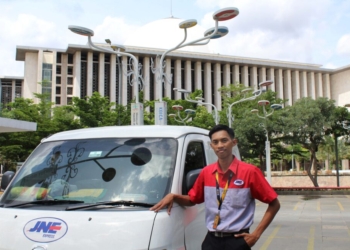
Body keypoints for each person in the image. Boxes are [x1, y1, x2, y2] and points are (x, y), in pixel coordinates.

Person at [150, 124, 280, 250]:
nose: (220, 145)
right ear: (211, 145)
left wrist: (256, 235)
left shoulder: (250, 172)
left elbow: (274, 204)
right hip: (211, 241)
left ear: (234, 142)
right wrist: (174, 196)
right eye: (215, 142)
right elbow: (192, 199)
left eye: (224, 140)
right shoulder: (206, 172)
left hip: (238, 241)